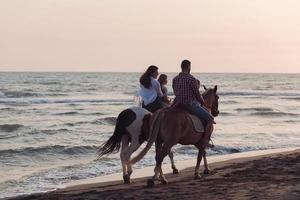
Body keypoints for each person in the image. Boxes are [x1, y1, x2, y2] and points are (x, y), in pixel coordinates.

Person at [172, 60, 214, 148]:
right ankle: (205, 141)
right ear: (188, 67)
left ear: (181, 67)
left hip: (177, 104)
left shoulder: (175, 79)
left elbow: (176, 92)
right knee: (210, 118)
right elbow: (197, 95)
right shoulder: (192, 79)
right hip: (189, 105)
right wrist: (203, 103)